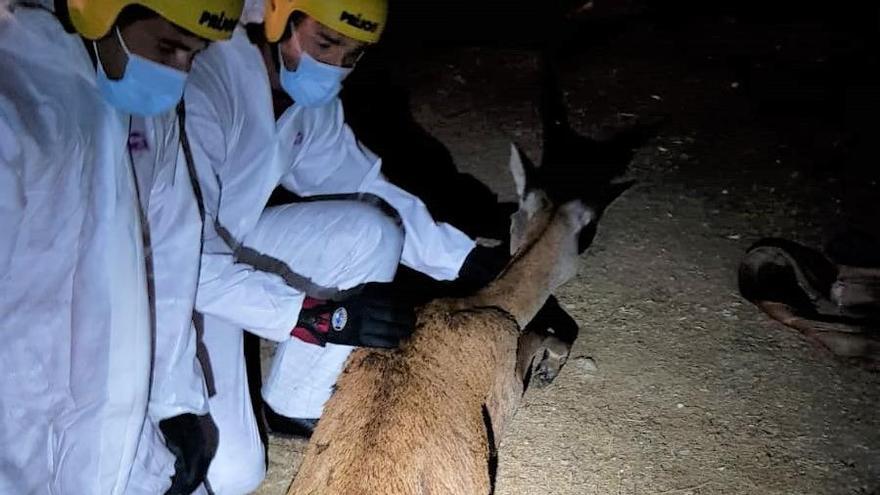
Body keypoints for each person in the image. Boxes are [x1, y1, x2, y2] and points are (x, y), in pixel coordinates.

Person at [179, 0, 508, 491]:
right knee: (230, 476)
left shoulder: (305, 98)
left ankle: (297, 403)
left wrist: (456, 256)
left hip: (228, 241)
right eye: (325, 43)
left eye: (352, 55)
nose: (333, 67)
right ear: (277, 18)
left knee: (373, 230)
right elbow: (181, 260)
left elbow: (356, 177)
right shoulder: (205, 81)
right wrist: (311, 316)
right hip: (168, 277)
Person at [0, 0, 242, 493]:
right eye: (170, 46)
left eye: (193, 55)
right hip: (22, 422)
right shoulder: (17, 105)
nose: (178, 72)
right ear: (99, 10)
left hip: (121, 415)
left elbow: (172, 242)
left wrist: (176, 400)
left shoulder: (137, 102)